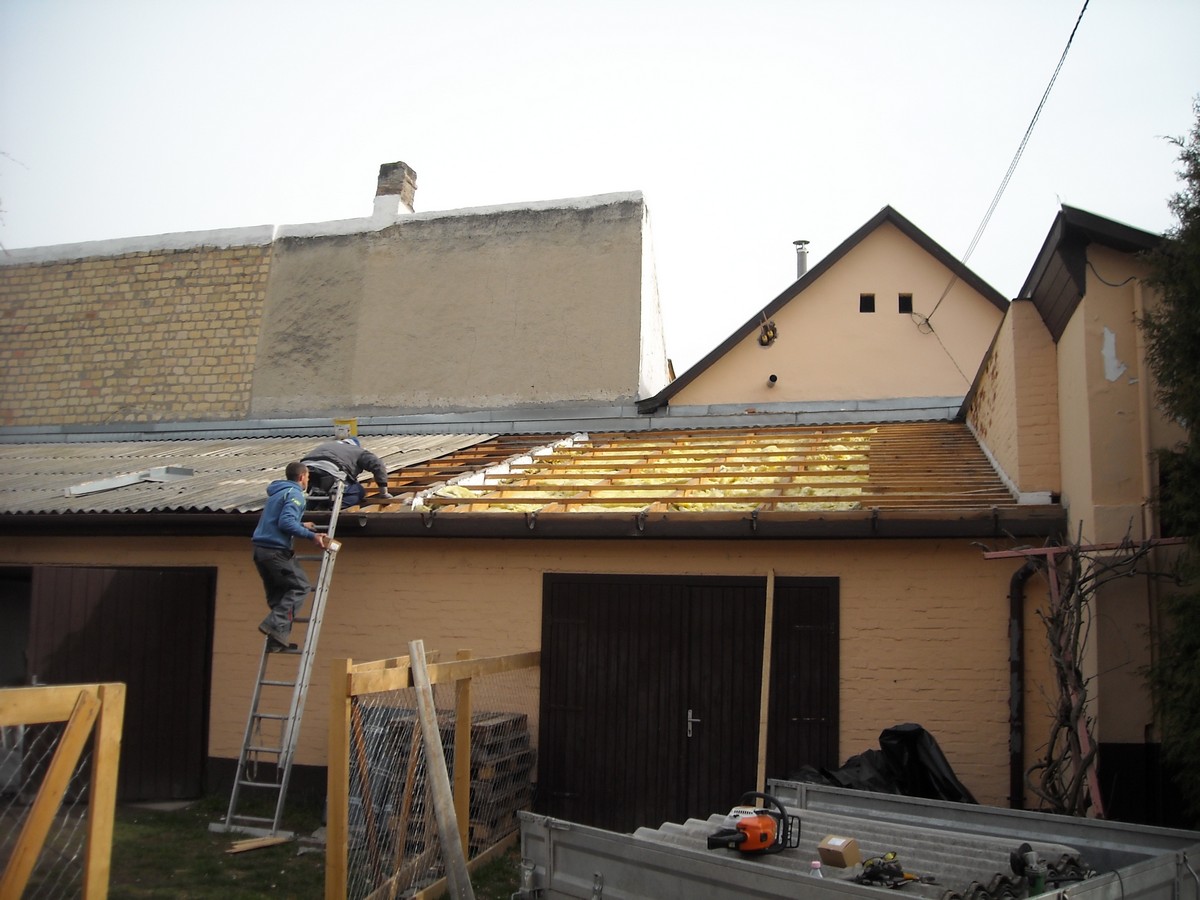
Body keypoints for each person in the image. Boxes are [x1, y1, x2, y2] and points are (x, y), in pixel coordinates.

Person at [252, 461, 329, 651]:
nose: (308, 480)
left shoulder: (278, 493)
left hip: (261, 552)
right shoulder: (295, 494)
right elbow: (285, 523)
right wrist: (312, 536)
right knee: (300, 587)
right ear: (302, 477)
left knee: (280, 597)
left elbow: (277, 520)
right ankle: (272, 624)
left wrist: (301, 525)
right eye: (308, 476)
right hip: (276, 552)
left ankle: (278, 641)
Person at [301, 436, 392, 508]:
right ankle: (329, 508)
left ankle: (309, 508)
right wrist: (384, 493)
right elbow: (378, 465)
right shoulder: (357, 450)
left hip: (305, 472)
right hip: (330, 472)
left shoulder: (326, 445)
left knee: (315, 494)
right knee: (358, 492)